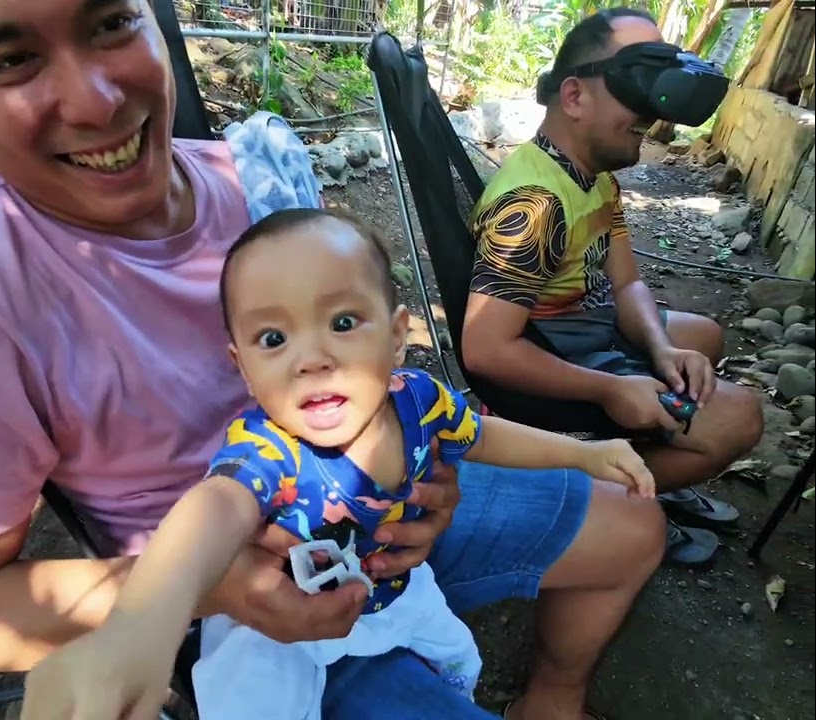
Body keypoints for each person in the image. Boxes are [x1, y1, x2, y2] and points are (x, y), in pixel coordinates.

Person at [0, 1, 666, 719]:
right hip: (252, 604)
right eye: (7, 60)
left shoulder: (256, 181)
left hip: (384, 513)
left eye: (110, 23)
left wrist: (426, 472)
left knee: (635, 523)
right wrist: (166, 610)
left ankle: (550, 699)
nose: (97, 101)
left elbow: (392, 380)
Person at [50, 207, 656, 720]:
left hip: (396, 586)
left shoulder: (417, 398)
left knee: (458, 662)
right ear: (240, 365)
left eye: (342, 323)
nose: (312, 358)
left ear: (396, 336)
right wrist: (144, 621)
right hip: (273, 629)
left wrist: (585, 452)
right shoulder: (269, 450)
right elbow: (213, 510)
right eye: (272, 339)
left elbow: (481, 435)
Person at [460, 7, 765, 566]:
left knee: (702, 340)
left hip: (588, 328)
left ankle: (652, 469)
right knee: (739, 417)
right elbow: (483, 350)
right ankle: (616, 500)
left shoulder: (592, 175)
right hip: (555, 357)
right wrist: (608, 390)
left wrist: (661, 347)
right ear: (574, 97)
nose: (651, 112)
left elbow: (626, 286)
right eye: (637, 84)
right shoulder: (535, 205)